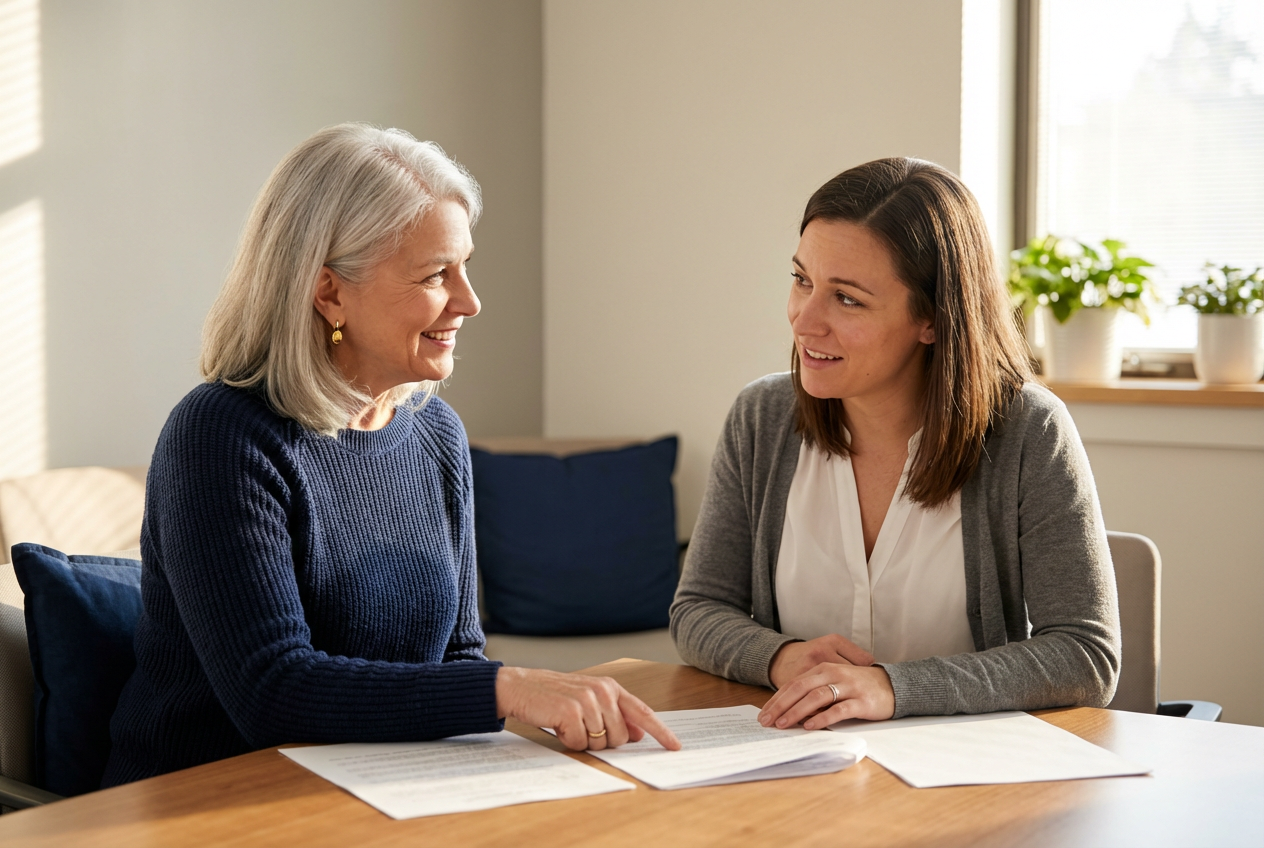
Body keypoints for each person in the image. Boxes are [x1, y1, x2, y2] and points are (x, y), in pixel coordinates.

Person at [103, 123, 678, 787]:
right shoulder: (220, 436)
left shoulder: (436, 434)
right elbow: (272, 691)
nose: (470, 301)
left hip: (374, 789)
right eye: (436, 274)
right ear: (329, 292)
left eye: (465, 266)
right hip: (211, 803)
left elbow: (458, 657)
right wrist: (508, 690)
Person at [669, 158, 1120, 732]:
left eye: (847, 299)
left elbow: (1085, 656)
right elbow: (698, 610)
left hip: (966, 779)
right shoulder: (762, 418)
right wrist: (782, 658)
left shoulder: (1029, 431)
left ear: (931, 318)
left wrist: (891, 687)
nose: (805, 321)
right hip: (796, 764)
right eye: (802, 280)